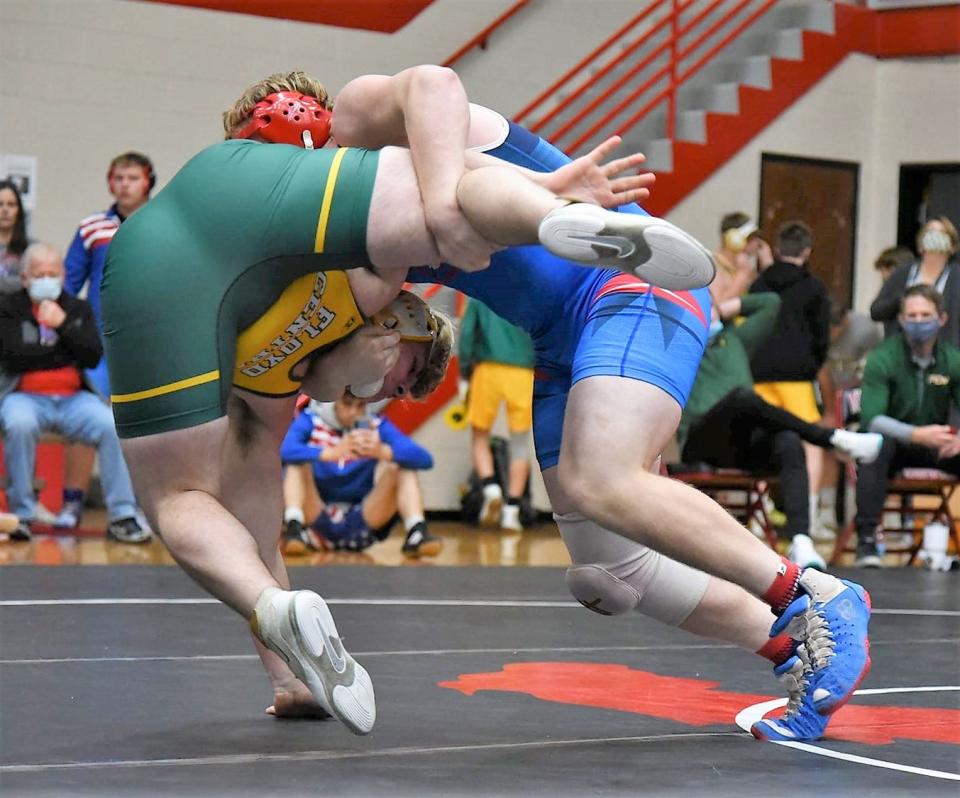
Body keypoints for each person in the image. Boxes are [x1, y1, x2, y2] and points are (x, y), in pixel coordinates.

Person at [103, 65, 713, 737]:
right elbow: (438, 119)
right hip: (304, 259)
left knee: (179, 497)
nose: (380, 391)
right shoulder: (366, 276)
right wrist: (528, 191)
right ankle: (552, 218)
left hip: (156, 281)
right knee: (442, 197)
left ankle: (280, 640)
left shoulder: (283, 351)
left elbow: (264, 481)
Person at [399, 103, 871, 743]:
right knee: (610, 573)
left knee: (602, 479)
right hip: (558, 336)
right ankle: (798, 654)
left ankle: (816, 596)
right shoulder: (354, 227)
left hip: (632, 283)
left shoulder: (417, 139)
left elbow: (430, 88)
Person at [678, 293, 883, 570]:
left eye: (708, 309)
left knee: (787, 440)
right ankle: (830, 438)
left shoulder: (734, 339)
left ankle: (800, 540)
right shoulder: (680, 346)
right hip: (701, 439)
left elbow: (771, 303)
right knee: (743, 397)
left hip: (742, 443)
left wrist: (718, 309)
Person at [0, 243, 149, 543]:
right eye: (39, 274)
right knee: (18, 424)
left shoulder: (76, 309)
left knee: (110, 425)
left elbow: (92, 355)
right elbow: (12, 354)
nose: (47, 279)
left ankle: (122, 515)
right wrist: (63, 350)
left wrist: (62, 325)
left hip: (74, 399)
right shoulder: (8, 308)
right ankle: (23, 516)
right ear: (26, 278)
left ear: (62, 275)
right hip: (24, 397)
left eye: (53, 273)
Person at [854, 284, 960, 567]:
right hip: (895, 444)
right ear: (900, 319)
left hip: (936, 445)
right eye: (911, 315)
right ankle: (866, 540)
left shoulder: (952, 360)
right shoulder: (883, 357)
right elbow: (872, 418)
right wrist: (915, 434)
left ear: (942, 318)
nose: (918, 322)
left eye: (926, 315)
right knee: (872, 445)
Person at [747, 221, 832, 553]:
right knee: (810, 442)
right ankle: (805, 518)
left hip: (759, 375)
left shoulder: (758, 284)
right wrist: (810, 365)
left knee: (760, 439)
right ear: (807, 251)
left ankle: (758, 514)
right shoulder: (814, 287)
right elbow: (822, 338)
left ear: (778, 249)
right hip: (797, 377)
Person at [280, 389, 441, 557]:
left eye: (360, 406)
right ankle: (294, 528)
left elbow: (425, 459)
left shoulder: (375, 425)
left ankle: (416, 531)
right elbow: (284, 449)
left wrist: (383, 451)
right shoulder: (311, 419)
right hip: (316, 515)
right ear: (333, 401)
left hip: (362, 519)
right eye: (347, 404)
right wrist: (329, 453)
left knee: (401, 466)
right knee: (296, 464)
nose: (353, 412)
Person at [458, 297, 535, 531]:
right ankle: (511, 512)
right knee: (520, 444)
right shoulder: (531, 291)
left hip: (487, 369)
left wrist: (463, 374)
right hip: (524, 371)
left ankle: (491, 488)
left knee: (480, 437)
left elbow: (467, 334)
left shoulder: (479, 293)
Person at [871, 217, 960, 345]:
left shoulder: (956, 277)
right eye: (930, 232)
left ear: (952, 246)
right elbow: (876, 311)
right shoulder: (904, 273)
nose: (934, 237)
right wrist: (903, 298)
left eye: (941, 233)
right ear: (921, 243)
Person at [709, 211, 773, 304]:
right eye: (751, 238)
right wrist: (742, 275)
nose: (757, 242)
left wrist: (767, 269)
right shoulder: (715, 266)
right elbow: (719, 304)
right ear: (733, 239)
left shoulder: (745, 267)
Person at [0, 179, 30, 294]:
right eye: (0, 204)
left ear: (19, 210)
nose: (5, 210)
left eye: (11, 204)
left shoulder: (32, 248)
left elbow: (31, 282)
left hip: (18, 310)